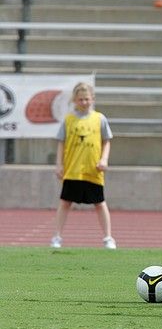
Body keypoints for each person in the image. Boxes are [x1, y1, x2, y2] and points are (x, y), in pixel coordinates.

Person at [50, 82, 116, 250]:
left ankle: (108, 237)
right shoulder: (69, 119)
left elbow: (106, 141)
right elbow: (61, 143)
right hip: (73, 170)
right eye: (80, 99)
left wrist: (104, 159)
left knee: (100, 203)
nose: (84, 102)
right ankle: (56, 236)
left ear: (92, 99)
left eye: (87, 99)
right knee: (65, 202)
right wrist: (59, 165)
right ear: (74, 100)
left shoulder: (99, 119)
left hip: (93, 170)